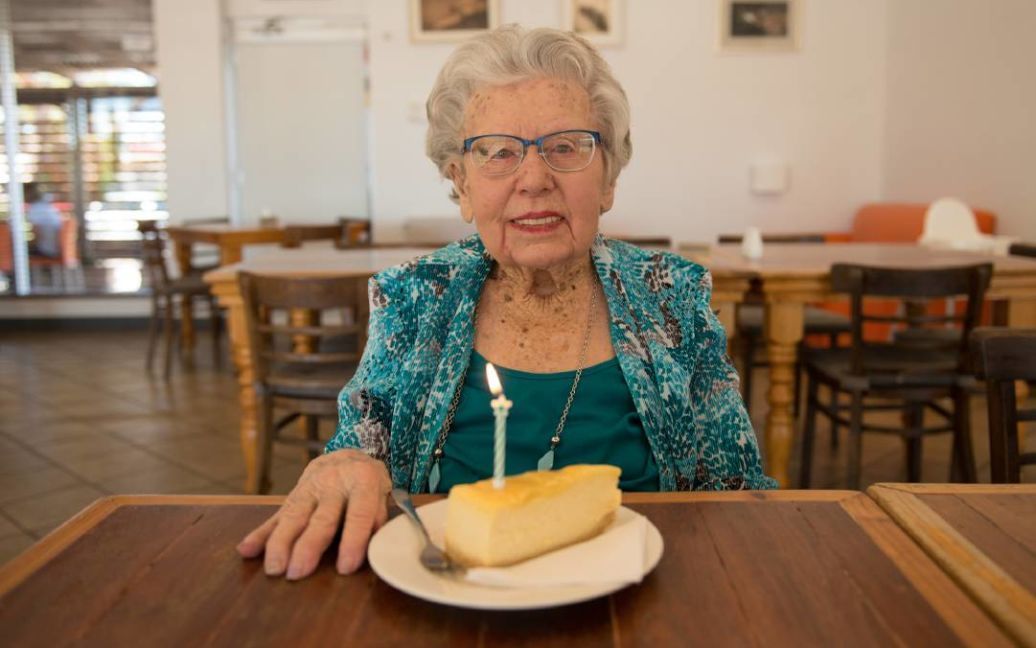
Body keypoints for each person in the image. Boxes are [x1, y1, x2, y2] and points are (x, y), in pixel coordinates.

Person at [237, 25, 776, 581]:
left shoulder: (673, 297)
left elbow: (738, 490)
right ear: (462, 185)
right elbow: (361, 442)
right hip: (452, 599)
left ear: (609, 178)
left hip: (642, 600)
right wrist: (345, 464)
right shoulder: (416, 297)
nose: (534, 179)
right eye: (498, 153)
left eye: (566, 148)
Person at [25, 182, 64, 259]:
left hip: (47, 250)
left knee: (18, 252)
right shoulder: (47, 206)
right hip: (58, 248)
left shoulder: (35, 209)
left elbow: (37, 234)